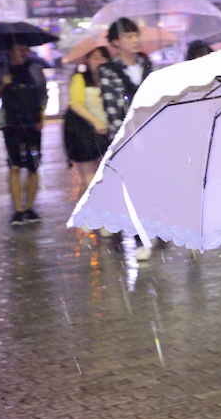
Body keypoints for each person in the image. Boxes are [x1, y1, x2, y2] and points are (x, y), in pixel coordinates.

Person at [100, 18, 154, 257]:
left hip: (152, 135)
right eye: (128, 37)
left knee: (153, 185)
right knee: (131, 190)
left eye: (135, 36)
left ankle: (156, 229)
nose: (134, 41)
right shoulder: (108, 71)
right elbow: (112, 109)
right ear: (115, 42)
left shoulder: (148, 66)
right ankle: (140, 239)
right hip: (127, 139)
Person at [0, 44, 48, 224]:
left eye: (25, 49)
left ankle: (30, 207)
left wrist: (41, 118)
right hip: (10, 123)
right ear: (9, 51)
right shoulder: (1, 69)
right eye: (18, 49)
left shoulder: (35, 69)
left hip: (32, 123)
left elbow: (43, 95)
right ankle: (18, 209)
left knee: (34, 165)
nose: (22, 53)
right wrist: (3, 83)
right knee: (15, 165)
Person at [63, 45, 111, 193]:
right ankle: (91, 209)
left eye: (103, 57)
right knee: (89, 175)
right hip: (83, 130)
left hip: (108, 131)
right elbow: (75, 104)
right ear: (87, 60)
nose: (100, 61)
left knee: (107, 173)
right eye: (95, 58)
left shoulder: (112, 79)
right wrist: (96, 122)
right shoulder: (80, 78)